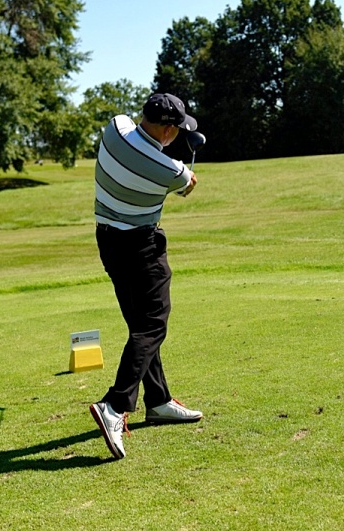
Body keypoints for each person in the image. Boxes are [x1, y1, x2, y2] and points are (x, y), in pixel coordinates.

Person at [89, 93, 203, 460]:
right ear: (169, 130)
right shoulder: (170, 170)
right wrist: (183, 168)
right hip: (140, 246)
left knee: (139, 324)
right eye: (178, 130)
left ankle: (158, 401)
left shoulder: (115, 127)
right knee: (153, 324)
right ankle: (114, 405)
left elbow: (145, 152)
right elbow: (187, 184)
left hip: (106, 239)